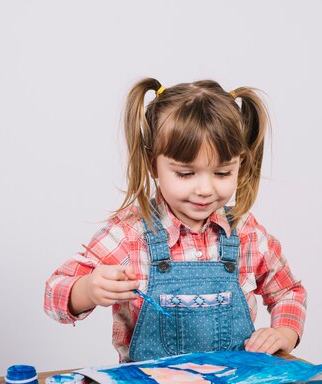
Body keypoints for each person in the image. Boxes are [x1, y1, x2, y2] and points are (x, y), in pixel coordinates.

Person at [44, 78, 306, 362]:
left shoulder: (246, 233)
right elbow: (53, 295)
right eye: (185, 174)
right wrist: (87, 289)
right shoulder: (129, 236)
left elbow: (289, 291)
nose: (205, 189)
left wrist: (284, 332)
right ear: (151, 162)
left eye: (222, 173)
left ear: (240, 163)